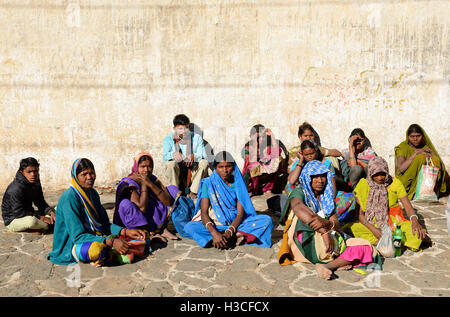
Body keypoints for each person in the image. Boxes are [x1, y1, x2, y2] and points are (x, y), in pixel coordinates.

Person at [278, 160, 381, 280]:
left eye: (323, 176)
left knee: (367, 247)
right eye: (315, 177)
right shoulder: (300, 191)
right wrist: (324, 231)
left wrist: (326, 223)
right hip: (306, 242)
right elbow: (298, 207)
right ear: (307, 177)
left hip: (329, 244)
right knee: (302, 216)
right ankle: (340, 261)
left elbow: (335, 223)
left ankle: (327, 266)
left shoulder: (325, 195)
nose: (320, 180)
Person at [48, 158, 148, 266]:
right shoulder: (69, 198)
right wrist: (111, 242)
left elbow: (104, 224)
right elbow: (78, 237)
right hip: (72, 245)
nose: (89, 177)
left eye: (92, 173)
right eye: (84, 174)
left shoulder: (93, 194)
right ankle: (114, 252)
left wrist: (125, 231)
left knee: (141, 238)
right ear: (75, 177)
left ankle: (118, 251)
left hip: (95, 236)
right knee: (97, 250)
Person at [183, 151, 274, 249]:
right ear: (215, 167)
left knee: (267, 220)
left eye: (228, 166)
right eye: (221, 167)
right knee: (190, 227)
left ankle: (226, 238)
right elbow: (204, 213)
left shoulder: (238, 184)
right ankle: (230, 237)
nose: (225, 170)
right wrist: (214, 232)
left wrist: (229, 232)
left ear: (233, 166)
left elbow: (240, 214)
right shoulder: (208, 183)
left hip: (236, 223)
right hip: (216, 223)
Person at [343, 156, 428, 254]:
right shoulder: (363, 185)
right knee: (352, 229)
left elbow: (408, 208)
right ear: (371, 173)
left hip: (394, 221)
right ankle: (386, 242)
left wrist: (414, 221)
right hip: (371, 222)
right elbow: (360, 215)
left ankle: (386, 241)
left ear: (387, 172)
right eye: (376, 174)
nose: (380, 178)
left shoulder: (395, 183)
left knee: (416, 234)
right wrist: (374, 230)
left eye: (383, 174)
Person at [113, 152, 180, 241]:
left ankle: (160, 229)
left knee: (172, 190)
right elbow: (142, 208)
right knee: (127, 204)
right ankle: (148, 233)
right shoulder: (129, 183)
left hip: (148, 214)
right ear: (136, 167)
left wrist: (151, 184)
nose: (146, 170)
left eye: (149, 166)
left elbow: (168, 201)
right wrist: (144, 184)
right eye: (143, 166)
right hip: (134, 220)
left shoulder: (151, 178)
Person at [285, 140, 356, 222]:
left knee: (350, 198)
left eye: (312, 153)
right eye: (306, 155)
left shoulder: (326, 164)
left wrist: (327, 203)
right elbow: (291, 180)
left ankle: (324, 216)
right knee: (289, 187)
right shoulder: (300, 163)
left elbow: (332, 188)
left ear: (316, 152)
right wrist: (301, 160)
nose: (309, 157)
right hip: (306, 198)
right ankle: (306, 215)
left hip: (324, 195)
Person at [395, 123, 449, 200]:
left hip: (425, 181)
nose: (415, 139)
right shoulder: (402, 148)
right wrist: (415, 155)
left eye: (418, 136)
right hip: (407, 180)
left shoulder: (425, 147)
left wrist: (432, 154)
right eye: (412, 136)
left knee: (435, 160)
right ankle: (414, 192)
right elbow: (401, 168)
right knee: (420, 158)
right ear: (408, 137)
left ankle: (429, 190)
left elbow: (442, 167)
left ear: (422, 136)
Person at [1, 157, 56, 233]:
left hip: (29, 213)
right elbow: (18, 212)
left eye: (35, 171)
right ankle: (47, 226)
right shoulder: (16, 188)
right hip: (14, 219)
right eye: (29, 172)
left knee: (58, 208)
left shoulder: (35, 180)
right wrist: (41, 218)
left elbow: (39, 201)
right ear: (22, 172)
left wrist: (50, 212)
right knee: (32, 222)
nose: (33, 174)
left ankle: (46, 223)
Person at [163, 114, 209, 199]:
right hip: (178, 173)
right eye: (180, 129)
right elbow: (165, 157)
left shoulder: (197, 138)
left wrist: (194, 156)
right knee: (170, 164)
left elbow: (203, 155)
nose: (184, 131)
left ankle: (193, 192)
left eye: (186, 128)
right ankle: (175, 192)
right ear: (174, 129)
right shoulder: (168, 139)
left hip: (192, 172)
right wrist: (173, 155)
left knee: (204, 162)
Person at [241, 125, 283, 198]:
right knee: (254, 165)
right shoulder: (248, 148)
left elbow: (276, 154)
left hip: (267, 174)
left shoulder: (268, 146)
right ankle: (253, 190)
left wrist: (272, 137)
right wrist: (256, 145)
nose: (262, 139)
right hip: (253, 178)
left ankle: (268, 189)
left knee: (278, 159)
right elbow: (250, 162)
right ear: (252, 137)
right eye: (258, 137)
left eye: (263, 136)